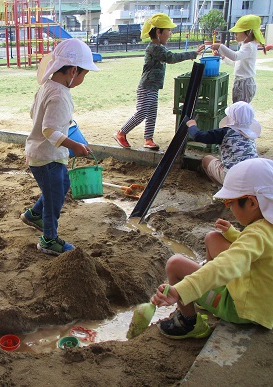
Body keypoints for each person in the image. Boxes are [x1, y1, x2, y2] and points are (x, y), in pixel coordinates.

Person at [151, 158, 273, 339]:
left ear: (252, 203)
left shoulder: (256, 233)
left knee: (175, 264)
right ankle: (206, 290)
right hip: (262, 298)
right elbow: (259, 249)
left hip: (243, 309)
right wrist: (233, 235)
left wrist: (181, 290)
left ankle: (188, 322)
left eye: (229, 202)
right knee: (213, 238)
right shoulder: (265, 226)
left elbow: (227, 264)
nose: (229, 208)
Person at [21, 38, 97, 256]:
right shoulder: (60, 94)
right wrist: (76, 145)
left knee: (61, 186)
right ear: (73, 71)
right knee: (54, 199)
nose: (83, 78)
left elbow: (34, 115)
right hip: (47, 158)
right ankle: (48, 239)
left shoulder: (47, 86)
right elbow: (49, 131)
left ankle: (34, 214)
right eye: (83, 74)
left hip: (44, 154)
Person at [114, 13, 205, 150]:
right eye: (168, 30)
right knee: (142, 112)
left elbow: (170, 56)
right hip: (147, 87)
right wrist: (193, 54)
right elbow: (172, 58)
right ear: (158, 32)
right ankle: (121, 133)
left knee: (151, 113)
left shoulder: (159, 47)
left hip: (153, 87)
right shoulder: (154, 48)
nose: (170, 34)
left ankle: (148, 139)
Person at [186, 101, 260, 186]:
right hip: (254, 177)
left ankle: (223, 190)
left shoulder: (225, 132)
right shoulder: (250, 134)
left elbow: (198, 136)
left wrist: (192, 126)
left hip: (234, 179)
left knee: (207, 159)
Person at [211, 15, 266, 103]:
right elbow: (235, 62)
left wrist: (220, 46)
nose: (235, 35)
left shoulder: (250, 46)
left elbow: (235, 56)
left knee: (240, 109)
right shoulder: (245, 46)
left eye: (237, 32)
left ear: (249, 32)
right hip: (239, 81)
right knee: (236, 108)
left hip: (245, 83)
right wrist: (222, 56)